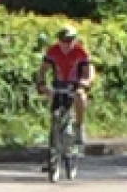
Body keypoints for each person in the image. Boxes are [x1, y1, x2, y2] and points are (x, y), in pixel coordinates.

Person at [37, 23, 95, 151]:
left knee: (80, 96)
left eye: (69, 41)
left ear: (75, 40)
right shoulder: (53, 50)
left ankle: (79, 127)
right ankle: (53, 151)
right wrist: (41, 84)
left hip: (76, 84)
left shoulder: (81, 51)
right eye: (63, 40)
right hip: (58, 84)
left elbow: (89, 70)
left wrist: (86, 82)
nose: (66, 44)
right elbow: (42, 70)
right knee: (54, 113)